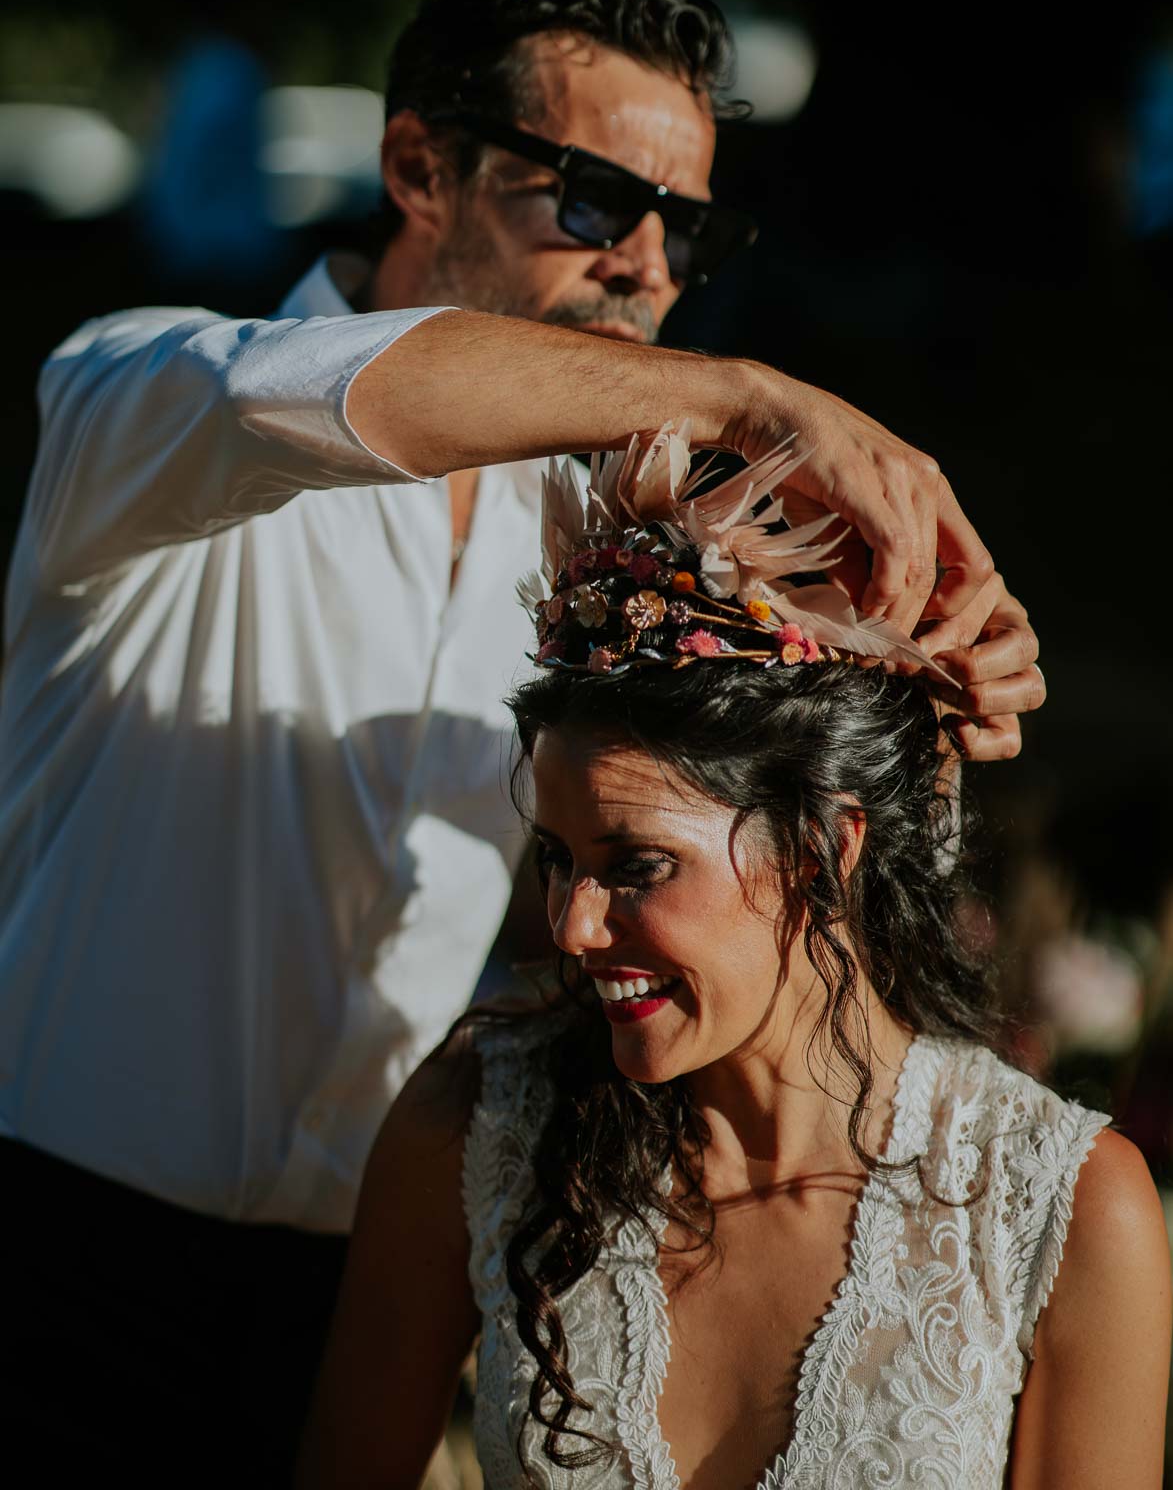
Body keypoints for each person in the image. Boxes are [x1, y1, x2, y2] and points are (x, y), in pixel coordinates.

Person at [0, 0, 1041, 1480]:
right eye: (591, 201)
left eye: (682, 224)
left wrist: (946, 646)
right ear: (419, 167)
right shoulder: (142, 403)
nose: (647, 264)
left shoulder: (587, 544)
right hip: (47, 1261)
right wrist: (744, 394)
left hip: (362, 1283)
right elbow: (310, 393)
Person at [299, 430, 1169, 1490]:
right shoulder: (478, 1126)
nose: (572, 926)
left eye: (637, 865)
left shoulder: (1063, 1211)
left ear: (821, 849)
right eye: (558, 859)